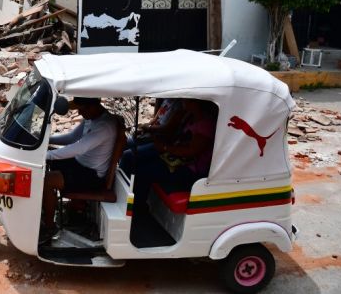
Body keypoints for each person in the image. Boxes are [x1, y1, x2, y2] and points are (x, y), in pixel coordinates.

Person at [41, 97, 118, 240]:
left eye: (82, 109)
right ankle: (46, 205)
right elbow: (72, 138)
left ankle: (49, 227)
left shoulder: (104, 126)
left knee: (48, 181)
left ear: (92, 106)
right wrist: (47, 141)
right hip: (79, 164)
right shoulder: (92, 117)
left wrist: (47, 155)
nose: (80, 113)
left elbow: (80, 148)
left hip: (92, 175)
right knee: (47, 162)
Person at [131, 99, 218, 215]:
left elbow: (191, 151)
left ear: (196, 103)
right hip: (175, 159)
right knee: (138, 159)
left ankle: (138, 209)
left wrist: (165, 148)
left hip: (190, 169)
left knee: (144, 170)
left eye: (188, 100)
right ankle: (137, 203)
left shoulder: (206, 125)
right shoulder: (189, 116)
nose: (184, 101)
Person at [119, 98, 186, 176]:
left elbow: (168, 129)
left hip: (161, 141)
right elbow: (154, 120)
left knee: (127, 155)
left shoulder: (178, 106)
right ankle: (123, 172)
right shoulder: (167, 100)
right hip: (151, 135)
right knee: (124, 143)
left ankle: (123, 182)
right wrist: (144, 128)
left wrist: (148, 129)